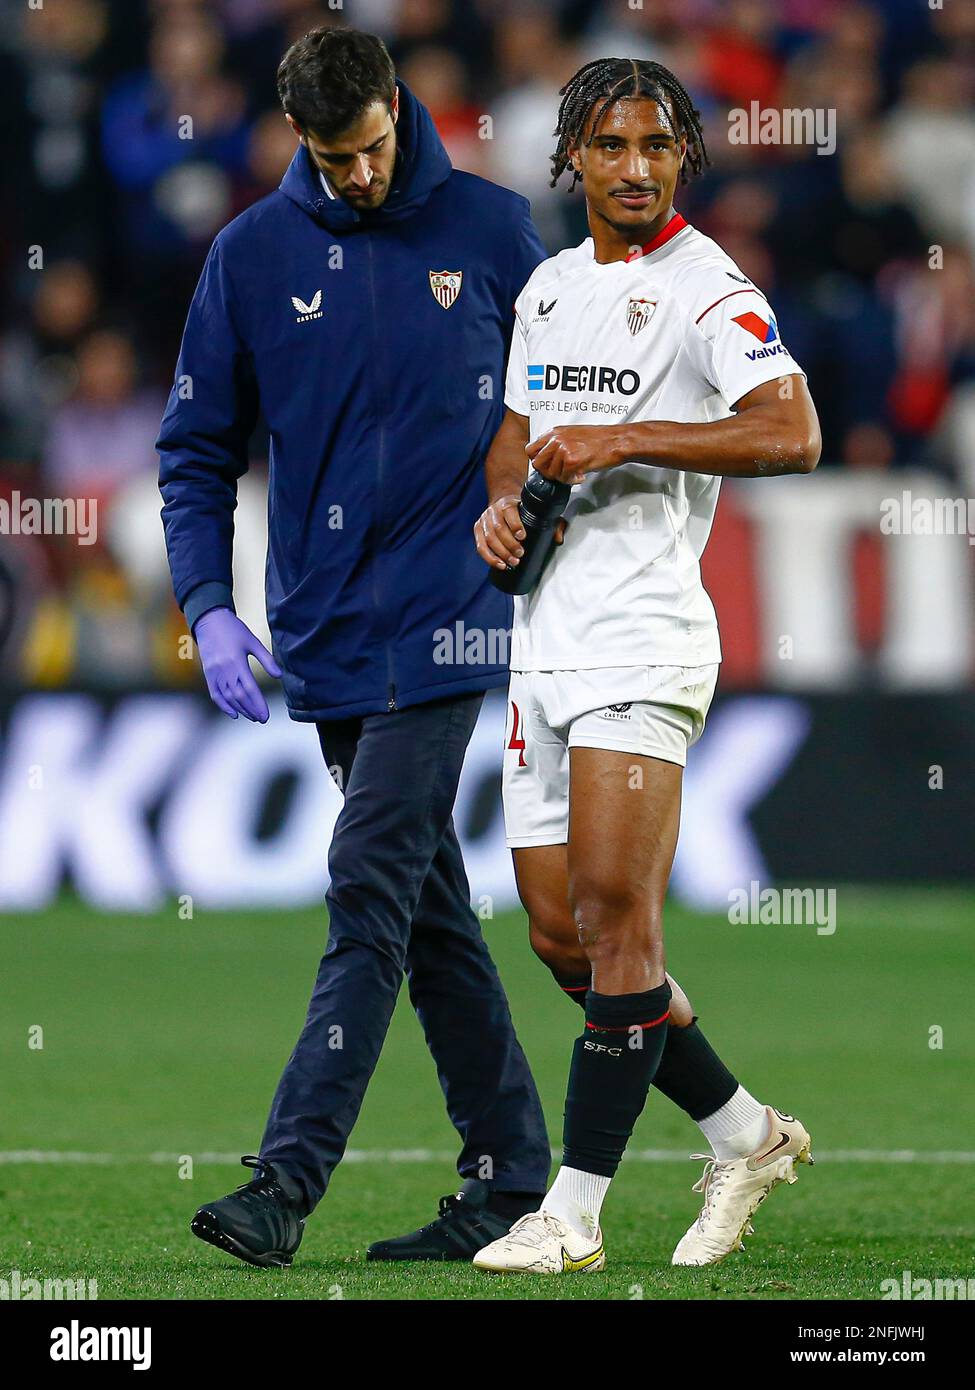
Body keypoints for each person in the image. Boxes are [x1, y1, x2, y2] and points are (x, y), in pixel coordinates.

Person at [158, 27, 551, 1269]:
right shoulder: (252, 255)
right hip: (324, 635)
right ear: (298, 135)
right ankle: (512, 1177)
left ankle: (285, 1181)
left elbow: (568, 406)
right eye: (334, 158)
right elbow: (195, 449)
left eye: (373, 148)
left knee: (367, 889)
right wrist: (209, 604)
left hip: (450, 621)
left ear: (400, 106)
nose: (361, 176)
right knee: (430, 909)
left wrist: (527, 524)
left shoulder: (493, 234)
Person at [471, 58, 820, 1275]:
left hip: (645, 636)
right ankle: (744, 1130)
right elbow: (516, 436)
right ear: (573, 154)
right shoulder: (552, 289)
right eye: (611, 145)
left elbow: (792, 429)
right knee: (563, 941)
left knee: (623, 925)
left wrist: (624, 437)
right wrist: (503, 504)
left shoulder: (709, 289)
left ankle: (570, 1213)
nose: (634, 168)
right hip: (545, 645)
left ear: (684, 159)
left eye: (657, 146)